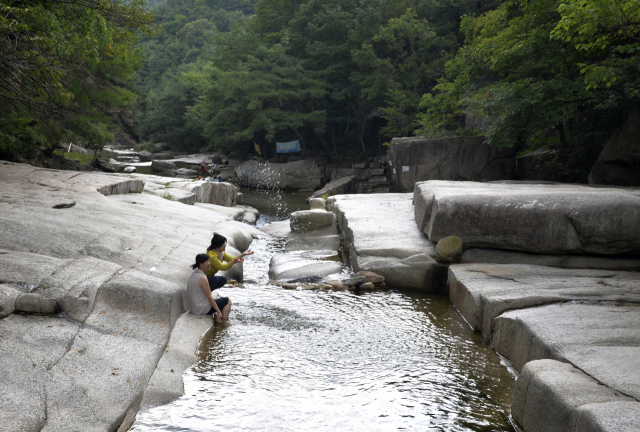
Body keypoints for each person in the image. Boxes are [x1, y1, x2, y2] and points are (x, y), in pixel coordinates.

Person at [187, 254, 231, 322]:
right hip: (201, 310)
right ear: (201, 264)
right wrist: (219, 312)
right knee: (227, 301)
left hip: (193, 308)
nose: (209, 263)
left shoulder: (194, 273)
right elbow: (210, 297)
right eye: (207, 262)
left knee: (218, 301)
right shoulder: (203, 278)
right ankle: (223, 322)